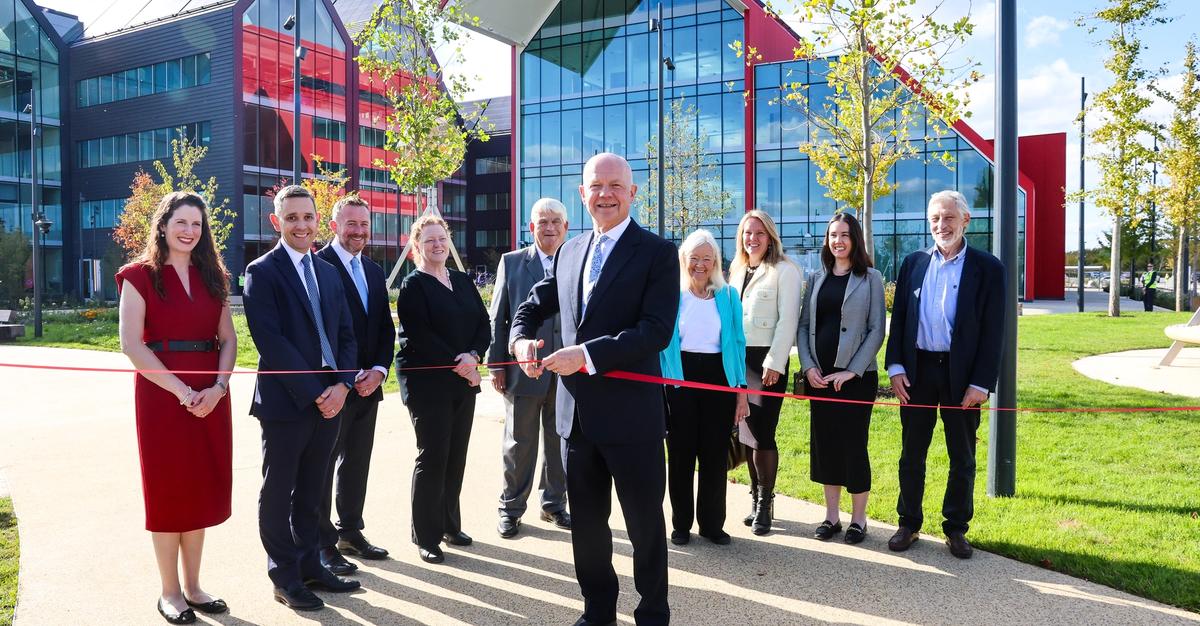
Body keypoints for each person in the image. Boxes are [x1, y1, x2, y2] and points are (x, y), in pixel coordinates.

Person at [510, 152, 678, 626]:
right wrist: (521, 340)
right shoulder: (569, 250)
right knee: (586, 527)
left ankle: (652, 611)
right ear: (581, 194)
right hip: (575, 420)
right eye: (595, 186)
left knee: (645, 526)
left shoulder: (658, 254)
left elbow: (655, 330)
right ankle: (598, 610)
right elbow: (531, 304)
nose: (605, 195)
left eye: (615, 186)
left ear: (632, 193)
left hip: (633, 420)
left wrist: (584, 356)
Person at [117, 191, 236, 624]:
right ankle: (169, 592)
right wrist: (182, 392)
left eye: (197, 225)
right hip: (162, 397)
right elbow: (131, 344)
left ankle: (194, 586)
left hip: (211, 394)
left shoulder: (213, 274)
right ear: (163, 224)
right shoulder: (138, 275)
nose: (189, 231)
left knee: (199, 486)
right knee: (169, 489)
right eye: (182, 222)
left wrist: (219, 387)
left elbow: (229, 339)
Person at [243, 184, 361, 611]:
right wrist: (316, 394)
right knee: (279, 491)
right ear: (276, 222)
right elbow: (271, 342)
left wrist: (343, 386)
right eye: (291, 218)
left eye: (308, 217)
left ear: (317, 219)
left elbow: (347, 336)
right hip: (287, 403)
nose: (301, 225)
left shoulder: (329, 272)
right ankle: (285, 576)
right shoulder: (262, 271)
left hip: (332, 399)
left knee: (314, 490)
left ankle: (312, 565)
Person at [885, 190, 1006, 559]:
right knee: (912, 454)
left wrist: (982, 383)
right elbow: (901, 319)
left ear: (965, 221)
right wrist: (895, 367)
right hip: (918, 371)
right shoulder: (914, 262)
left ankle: (956, 528)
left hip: (963, 378)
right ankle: (909, 523)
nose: (942, 225)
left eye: (949, 218)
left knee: (963, 457)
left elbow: (993, 331)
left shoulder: (988, 268)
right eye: (935, 218)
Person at [395, 214, 491, 565]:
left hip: (463, 381)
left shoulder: (463, 281)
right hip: (428, 383)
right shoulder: (412, 286)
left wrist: (475, 355)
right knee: (432, 456)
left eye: (442, 239)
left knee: (455, 456)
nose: (437, 245)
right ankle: (426, 535)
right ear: (416, 246)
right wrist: (462, 363)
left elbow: (484, 324)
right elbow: (419, 335)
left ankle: (451, 525)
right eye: (429, 240)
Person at [315, 195, 396, 575]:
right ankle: (322, 545)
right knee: (322, 465)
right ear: (334, 226)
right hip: (332, 388)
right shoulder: (317, 266)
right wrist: (346, 378)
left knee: (357, 462)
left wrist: (379, 370)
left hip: (369, 386)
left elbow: (383, 327)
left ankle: (350, 531)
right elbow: (320, 333)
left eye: (364, 224)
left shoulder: (375, 271)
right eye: (351, 224)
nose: (359, 231)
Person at [796, 213, 886, 545]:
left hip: (856, 380)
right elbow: (804, 326)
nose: (838, 241)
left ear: (855, 239)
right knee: (825, 447)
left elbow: (878, 329)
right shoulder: (816, 278)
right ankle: (831, 517)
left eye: (845, 235)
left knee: (853, 446)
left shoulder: (871, 278)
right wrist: (809, 367)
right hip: (821, 378)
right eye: (833, 235)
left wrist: (853, 370)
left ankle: (858, 520)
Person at [659, 229, 750, 547]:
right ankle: (681, 523)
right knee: (681, 456)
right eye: (694, 258)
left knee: (714, 456)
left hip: (719, 380)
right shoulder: (672, 294)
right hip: (680, 380)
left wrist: (741, 391)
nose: (700, 264)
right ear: (685, 260)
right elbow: (662, 347)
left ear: (715, 263)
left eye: (706, 259)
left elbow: (738, 344)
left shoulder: (728, 297)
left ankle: (712, 524)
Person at [488, 198, 572, 539]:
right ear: (531, 226)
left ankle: (553, 504)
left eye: (555, 221)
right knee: (519, 443)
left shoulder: (575, 261)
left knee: (559, 441)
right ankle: (510, 508)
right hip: (522, 369)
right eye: (542, 221)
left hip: (566, 370)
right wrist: (497, 363)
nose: (549, 227)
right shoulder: (512, 263)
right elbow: (499, 316)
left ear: (566, 227)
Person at [727, 209, 803, 535]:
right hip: (737, 362)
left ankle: (764, 504)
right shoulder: (736, 269)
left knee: (762, 434)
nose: (752, 239)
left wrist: (776, 361)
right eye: (747, 232)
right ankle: (754, 496)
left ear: (770, 236)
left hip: (766, 362)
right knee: (745, 434)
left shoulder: (784, 270)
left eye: (759, 233)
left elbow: (788, 321)